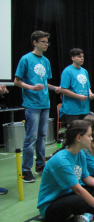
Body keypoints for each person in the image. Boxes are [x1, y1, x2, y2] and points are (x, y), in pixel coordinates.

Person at [38, 120, 94, 222]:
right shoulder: (62, 160)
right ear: (79, 138)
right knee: (79, 200)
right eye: (89, 136)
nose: (92, 138)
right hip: (50, 206)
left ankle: (87, 214)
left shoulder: (80, 153)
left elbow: (86, 178)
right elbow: (78, 190)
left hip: (68, 195)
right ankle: (90, 211)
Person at [14, 30, 61, 183]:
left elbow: (45, 83)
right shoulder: (26, 59)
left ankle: (40, 164)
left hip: (44, 103)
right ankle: (25, 170)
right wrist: (31, 87)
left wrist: (55, 88)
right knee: (31, 137)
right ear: (35, 43)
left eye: (47, 42)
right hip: (31, 104)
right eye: (43, 42)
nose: (46, 44)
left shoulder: (46, 61)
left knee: (42, 136)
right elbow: (17, 81)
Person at [60, 48, 94, 125]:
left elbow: (88, 86)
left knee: (84, 132)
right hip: (73, 109)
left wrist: (90, 93)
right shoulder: (67, 71)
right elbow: (63, 90)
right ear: (73, 58)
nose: (82, 58)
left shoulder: (84, 71)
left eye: (83, 57)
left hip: (85, 108)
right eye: (79, 56)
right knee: (75, 132)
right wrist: (78, 96)